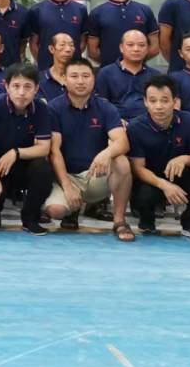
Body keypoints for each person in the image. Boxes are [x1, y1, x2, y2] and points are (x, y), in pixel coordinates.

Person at [44, 57, 135, 241]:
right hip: (66, 177)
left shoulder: (106, 107)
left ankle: (119, 221)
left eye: (86, 76)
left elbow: (123, 142)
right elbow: (54, 151)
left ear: (93, 79)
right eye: (74, 76)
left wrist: (107, 153)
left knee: (121, 162)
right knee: (56, 211)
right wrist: (67, 186)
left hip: (95, 175)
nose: (80, 81)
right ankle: (72, 209)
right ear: (64, 79)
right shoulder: (54, 108)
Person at [127, 75, 190, 241]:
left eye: (165, 100)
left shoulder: (189, 120)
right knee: (144, 194)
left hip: (181, 177)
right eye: (153, 101)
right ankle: (147, 221)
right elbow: (138, 168)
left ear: (175, 101)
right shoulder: (136, 127)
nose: (159, 106)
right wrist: (164, 185)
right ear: (145, 102)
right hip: (152, 181)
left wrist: (184, 159)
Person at [0, 63, 54, 233]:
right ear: (6, 87)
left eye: (27, 87)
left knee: (43, 168)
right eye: (16, 86)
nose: (21, 92)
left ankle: (30, 218)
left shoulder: (41, 109)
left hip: (23, 164)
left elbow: (44, 148)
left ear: (36, 89)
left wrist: (16, 153)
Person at [84, 0, 158, 66]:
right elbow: (92, 51)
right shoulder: (96, 13)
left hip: (140, 71)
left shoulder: (145, 10)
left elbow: (154, 47)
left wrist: (136, 61)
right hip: (109, 71)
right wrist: (113, 66)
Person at [27, 0, 89, 71]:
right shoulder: (36, 10)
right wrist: (44, 62)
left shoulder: (81, 9)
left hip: (74, 71)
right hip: (46, 71)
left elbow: (82, 42)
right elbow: (33, 44)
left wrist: (68, 58)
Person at [95, 29, 156, 122]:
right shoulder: (106, 73)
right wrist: (116, 122)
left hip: (148, 124)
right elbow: (100, 105)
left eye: (141, 45)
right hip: (116, 123)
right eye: (130, 45)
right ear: (121, 48)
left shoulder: (155, 75)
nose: (136, 49)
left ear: (147, 48)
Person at [36, 31, 75, 104]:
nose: (68, 49)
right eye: (62, 45)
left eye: (71, 45)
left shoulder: (80, 79)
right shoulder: (39, 79)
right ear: (51, 49)